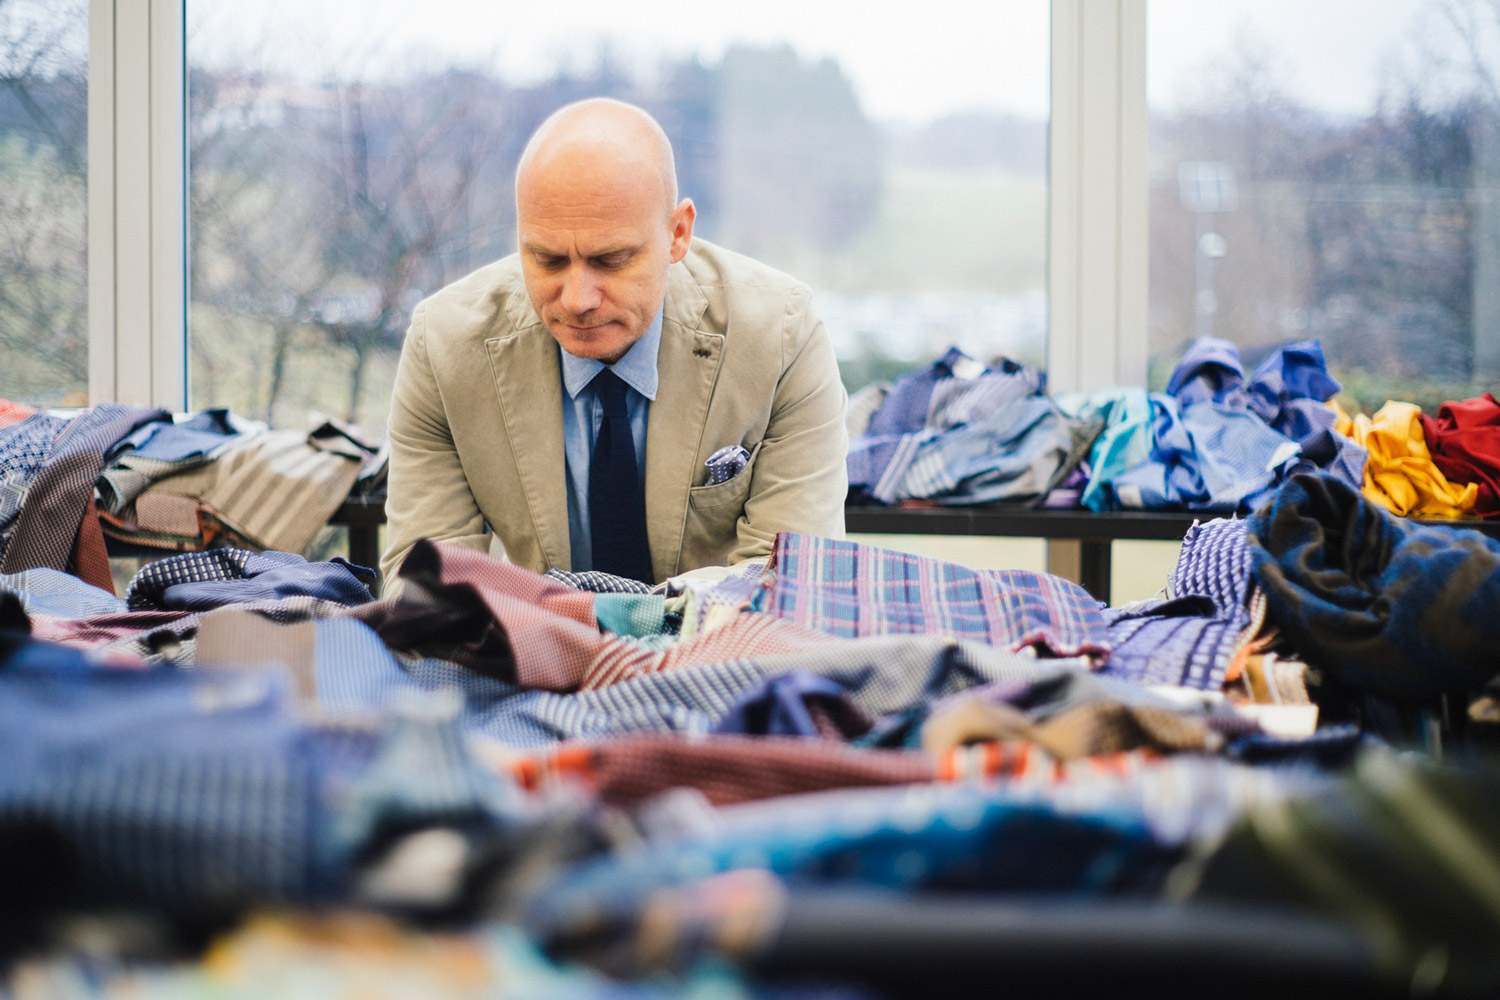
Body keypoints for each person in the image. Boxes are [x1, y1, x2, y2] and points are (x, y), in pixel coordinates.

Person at [380, 97, 848, 590]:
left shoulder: (780, 336)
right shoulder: (446, 348)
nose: (577, 299)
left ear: (678, 234)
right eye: (547, 259)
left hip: (715, 638)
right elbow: (424, 589)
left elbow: (793, 587)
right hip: (541, 639)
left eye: (611, 260)